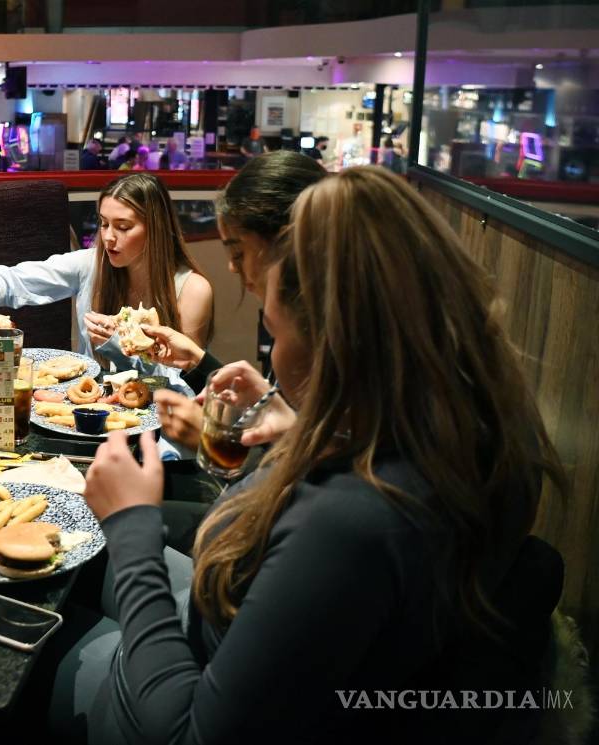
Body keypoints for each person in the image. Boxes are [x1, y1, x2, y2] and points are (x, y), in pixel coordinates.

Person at [51, 166, 567, 744]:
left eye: (273, 325)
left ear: (329, 337)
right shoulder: (448, 428)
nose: (271, 346)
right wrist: (288, 434)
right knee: (69, 547)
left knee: (48, 634)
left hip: (177, 694)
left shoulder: (347, 521)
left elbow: (190, 732)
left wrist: (134, 529)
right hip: (228, 623)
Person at [143, 151, 326, 452]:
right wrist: (197, 360)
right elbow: (287, 436)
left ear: (285, 247)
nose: (232, 267)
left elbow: (301, 477)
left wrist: (215, 444)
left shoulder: (323, 341)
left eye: (238, 252)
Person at [0, 172, 213, 384]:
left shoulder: (192, 289)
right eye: (103, 224)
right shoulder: (91, 263)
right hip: (90, 409)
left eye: (123, 227)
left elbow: (181, 380)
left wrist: (117, 345)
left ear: (155, 229)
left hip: (158, 421)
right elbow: (17, 278)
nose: (109, 237)